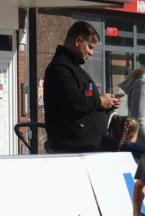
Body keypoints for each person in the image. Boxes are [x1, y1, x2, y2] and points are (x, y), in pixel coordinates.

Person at [44, 21, 121, 153]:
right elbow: (75, 103)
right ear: (78, 41)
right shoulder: (60, 68)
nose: (91, 53)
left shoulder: (77, 71)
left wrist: (106, 104)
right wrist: (100, 101)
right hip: (71, 151)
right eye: (90, 47)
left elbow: (88, 99)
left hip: (86, 148)